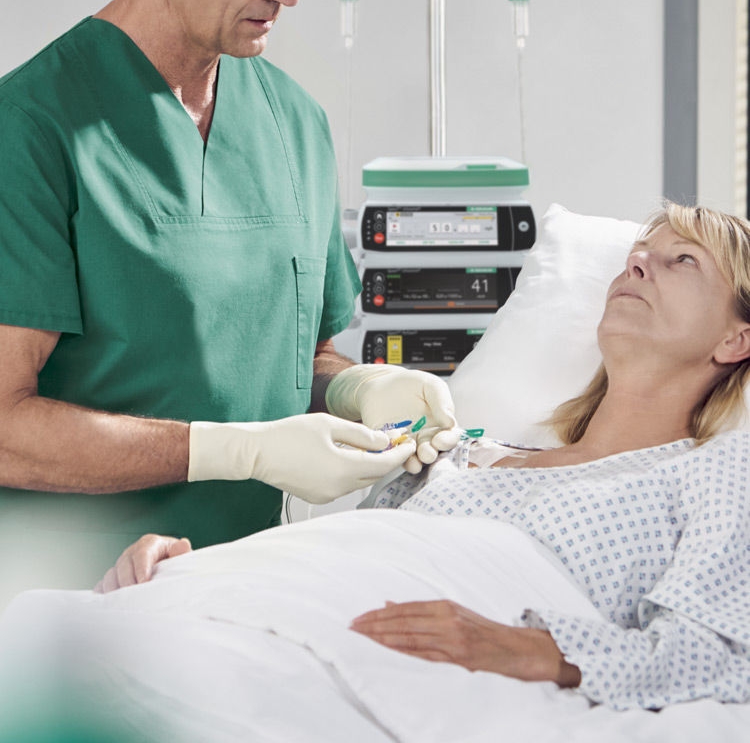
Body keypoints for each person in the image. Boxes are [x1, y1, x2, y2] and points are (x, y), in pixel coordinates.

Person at [0, 0, 458, 590]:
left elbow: (295, 354)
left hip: (243, 593)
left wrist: (357, 388)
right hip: (65, 614)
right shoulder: (32, 126)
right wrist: (235, 448)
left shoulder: (295, 125)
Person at [81, 201, 750, 719]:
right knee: (79, 651)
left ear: (736, 337)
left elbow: (720, 657)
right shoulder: (463, 452)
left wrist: (537, 650)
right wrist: (201, 565)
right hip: (289, 612)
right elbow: (339, 563)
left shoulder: (709, 473)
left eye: (681, 260)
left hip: (393, 652)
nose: (637, 265)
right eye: (638, 254)